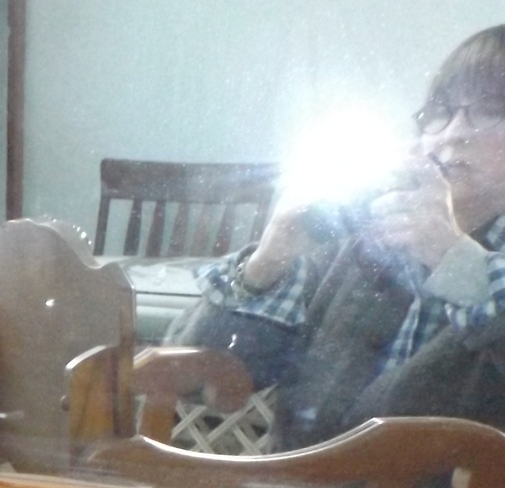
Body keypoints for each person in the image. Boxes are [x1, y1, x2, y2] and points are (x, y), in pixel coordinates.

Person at [170, 25, 505, 454]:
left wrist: (453, 260)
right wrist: (268, 261)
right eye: (440, 112)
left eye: (492, 109)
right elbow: (197, 379)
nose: (453, 133)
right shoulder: (364, 240)